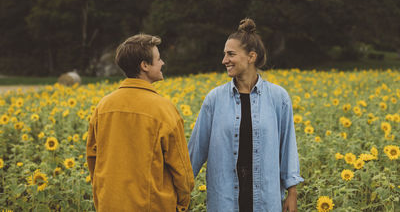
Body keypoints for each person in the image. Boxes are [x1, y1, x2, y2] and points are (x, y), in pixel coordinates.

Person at [188, 19, 304, 212]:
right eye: (224, 54)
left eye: (230, 54)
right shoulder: (214, 99)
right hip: (224, 201)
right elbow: (195, 151)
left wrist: (292, 192)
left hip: (265, 200)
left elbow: (288, 147)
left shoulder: (278, 97)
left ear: (251, 57)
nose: (224, 60)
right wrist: (176, 190)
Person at [86, 34, 194, 212]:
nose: (162, 63)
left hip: (109, 204)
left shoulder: (103, 106)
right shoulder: (164, 109)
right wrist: (182, 204)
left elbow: (92, 159)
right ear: (144, 65)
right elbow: (181, 170)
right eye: (158, 59)